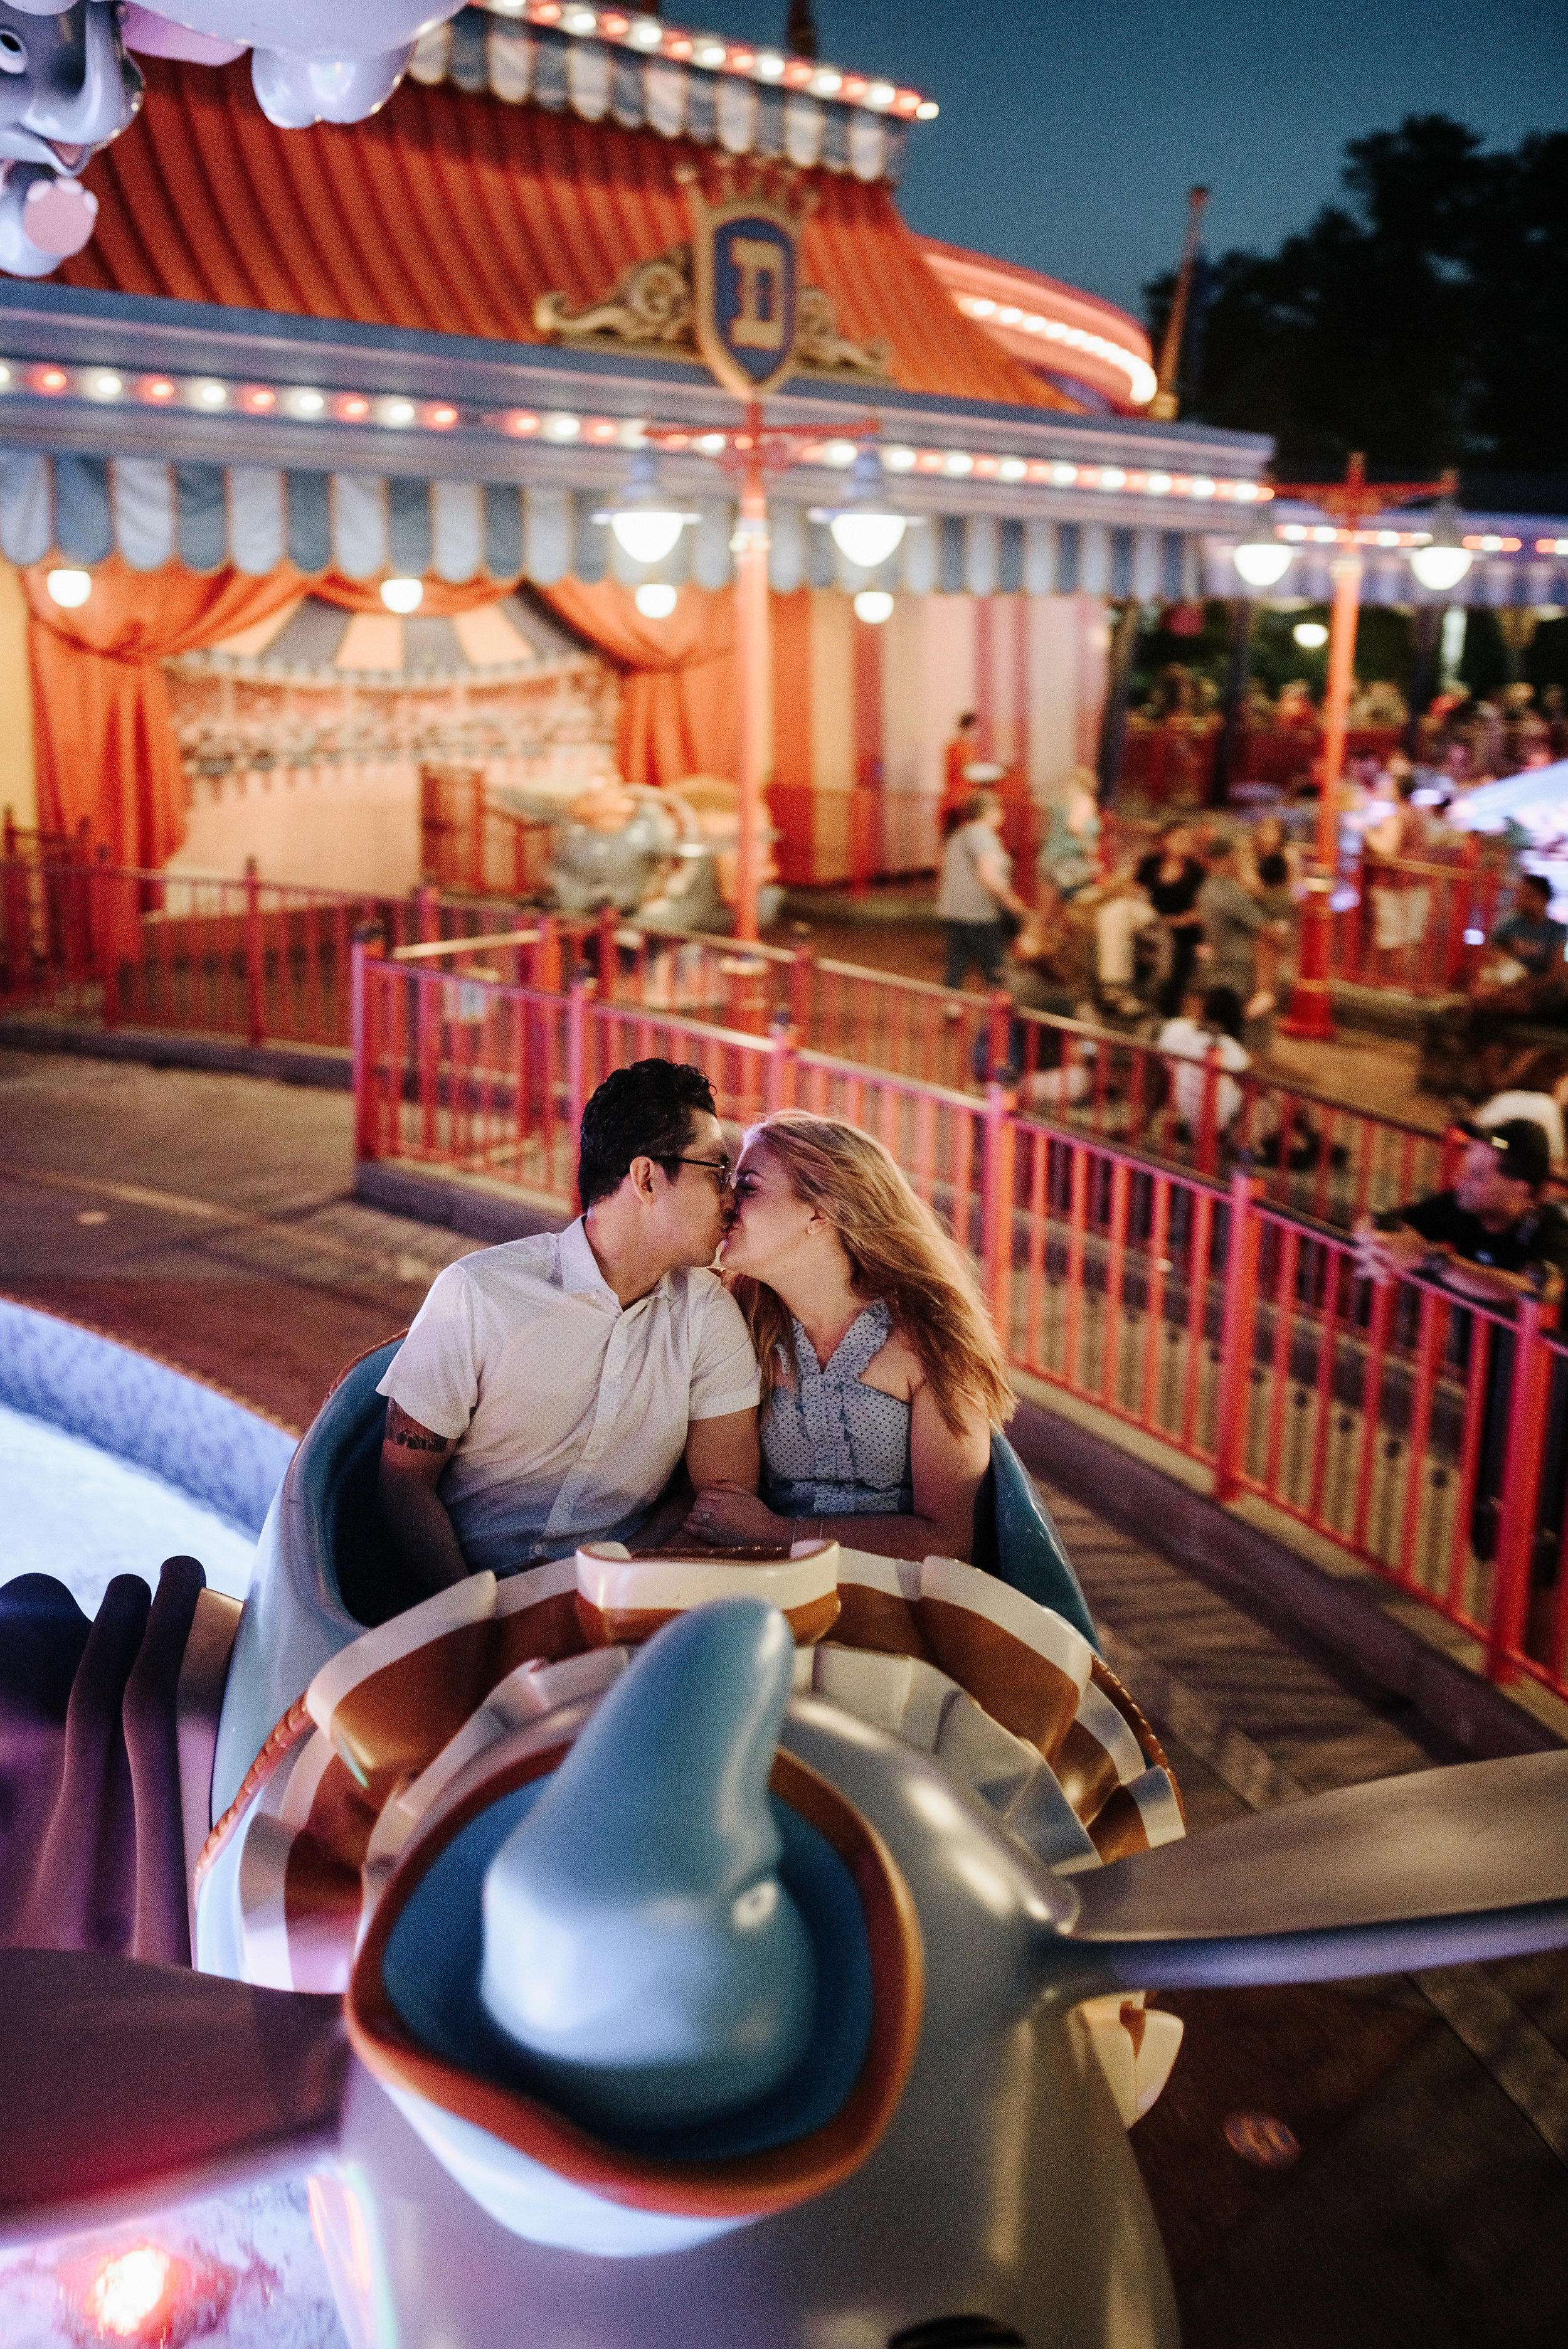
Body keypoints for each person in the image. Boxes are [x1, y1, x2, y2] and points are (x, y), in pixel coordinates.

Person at [376, 1058, 762, 1594]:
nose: (732, 1195)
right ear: (646, 1178)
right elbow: (404, 1481)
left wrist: (602, 1579)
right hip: (458, 1594)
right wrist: (475, 1609)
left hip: (614, 1604)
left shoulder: (708, 1317)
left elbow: (719, 1500)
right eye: (717, 1171)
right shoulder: (480, 1293)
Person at [681, 1111, 1015, 1562]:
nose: (727, 1202)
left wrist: (780, 1531)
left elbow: (946, 1539)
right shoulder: (737, 1320)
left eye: (749, 1186)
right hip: (774, 1586)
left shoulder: (932, 1336)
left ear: (821, 1212)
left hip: (899, 1594)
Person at [1353, 1121, 1568, 1603]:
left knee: (1539, 1554)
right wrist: (1378, 1245)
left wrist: (1431, 1260)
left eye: (1477, 1174)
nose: (1461, 1181)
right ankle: (1507, 1652)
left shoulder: (1554, 1229)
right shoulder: (1465, 1208)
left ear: (1522, 1188)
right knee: (1494, 1536)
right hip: (1499, 1392)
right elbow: (1384, 1220)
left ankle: (1521, 1668)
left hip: (1554, 1411)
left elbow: (1534, 1292)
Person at [938, 789, 1031, 995]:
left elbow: (944, 869)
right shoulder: (983, 836)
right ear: (989, 811)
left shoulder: (958, 835)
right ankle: (1000, 1013)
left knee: (957, 960)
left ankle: (951, 1005)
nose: (1003, 815)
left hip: (953, 908)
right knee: (994, 964)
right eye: (1000, 810)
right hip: (978, 911)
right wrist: (1011, 901)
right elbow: (989, 877)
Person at [1197, 834, 1286, 1046]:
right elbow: (1265, 928)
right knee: (1237, 1033)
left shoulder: (1207, 889)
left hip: (1220, 967)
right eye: (1237, 856)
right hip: (1238, 970)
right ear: (1226, 859)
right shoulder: (1228, 892)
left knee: (1219, 1026)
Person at [1157, 985, 1250, 1140]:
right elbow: (1244, 1079)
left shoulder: (1177, 1032)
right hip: (1216, 1125)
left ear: (1205, 1009)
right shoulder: (1234, 1051)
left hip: (1183, 1114)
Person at [1136, 820, 1207, 1019]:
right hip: (1148, 927)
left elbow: (1199, 912)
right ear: (1166, 840)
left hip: (1181, 936)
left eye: (1186, 839)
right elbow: (1135, 892)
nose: (1182, 843)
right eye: (1177, 838)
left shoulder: (1197, 872)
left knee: (1172, 986)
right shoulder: (1151, 864)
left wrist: (1172, 922)